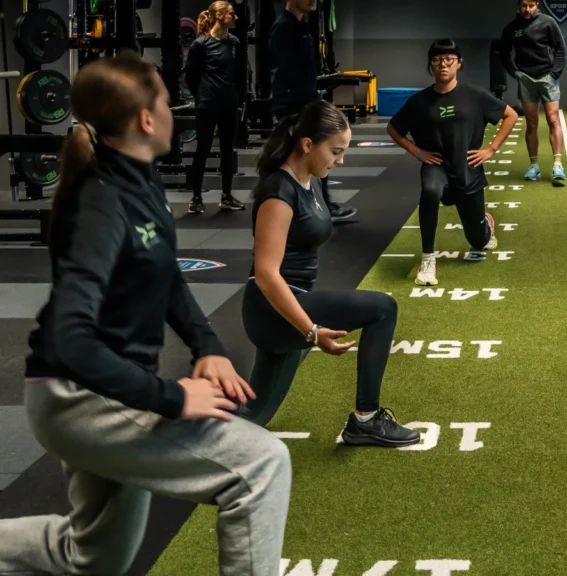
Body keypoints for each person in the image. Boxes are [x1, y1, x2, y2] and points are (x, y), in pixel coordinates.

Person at [0, 55, 291, 576]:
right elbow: (69, 339)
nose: (176, 110)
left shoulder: (141, 181)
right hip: (78, 398)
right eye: (165, 100)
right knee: (259, 463)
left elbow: (167, 278)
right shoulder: (102, 203)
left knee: (94, 558)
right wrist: (173, 397)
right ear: (146, 120)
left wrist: (208, 346)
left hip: (106, 388)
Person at [241, 100, 421, 447]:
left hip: (291, 304)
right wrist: (310, 331)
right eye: (335, 151)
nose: (340, 160)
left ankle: (177, 440)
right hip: (272, 309)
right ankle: (366, 420)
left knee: (253, 418)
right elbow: (265, 273)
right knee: (383, 307)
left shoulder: (312, 179)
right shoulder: (279, 191)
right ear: (307, 145)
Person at [387, 39, 518, 287]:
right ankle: (428, 258)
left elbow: (510, 114)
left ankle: (486, 225)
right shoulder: (419, 102)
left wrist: (491, 149)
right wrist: (418, 152)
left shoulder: (475, 95)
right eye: (437, 60)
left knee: (477, 240)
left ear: (459, 63)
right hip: (437, 166)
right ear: (430, 65)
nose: (443, 65)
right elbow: (393, 129)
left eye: (449, 60)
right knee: (430, 190)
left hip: (468, 169)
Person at [269, 0, 355, 223]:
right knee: (301, 153)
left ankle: (321, 204)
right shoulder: (283, 27)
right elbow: (287, 69)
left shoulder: (301, 27)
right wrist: (310, 100)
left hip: (305, 99)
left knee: (315, 151)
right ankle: (296, 206)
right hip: (293, 102)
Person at [185, 0, 246, 215]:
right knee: (202, 149)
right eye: (231, 13)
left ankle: (227, 196)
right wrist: (202, 96)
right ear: (220, 16)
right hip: (208, 103)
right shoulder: (201, 45)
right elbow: (191, 76)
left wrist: (239, 98)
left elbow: (239, 74)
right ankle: (196, 198)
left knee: (228, 150)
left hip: (229, 103)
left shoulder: (235, 43)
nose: (235, 17)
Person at [500, 0, 567, 186]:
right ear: (518, 5)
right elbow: (504, 54)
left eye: (531, 5)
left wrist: (555, 73)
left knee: (553, 119)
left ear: (537, 4)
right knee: (531, 123)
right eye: (523, 6)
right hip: (526, 79)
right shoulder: (512, 28)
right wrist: (515, 73)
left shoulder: (548, 22)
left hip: (548, 77)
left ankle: (558, 164)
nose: (527, 10)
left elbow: (561, 49)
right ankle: (534, 165)